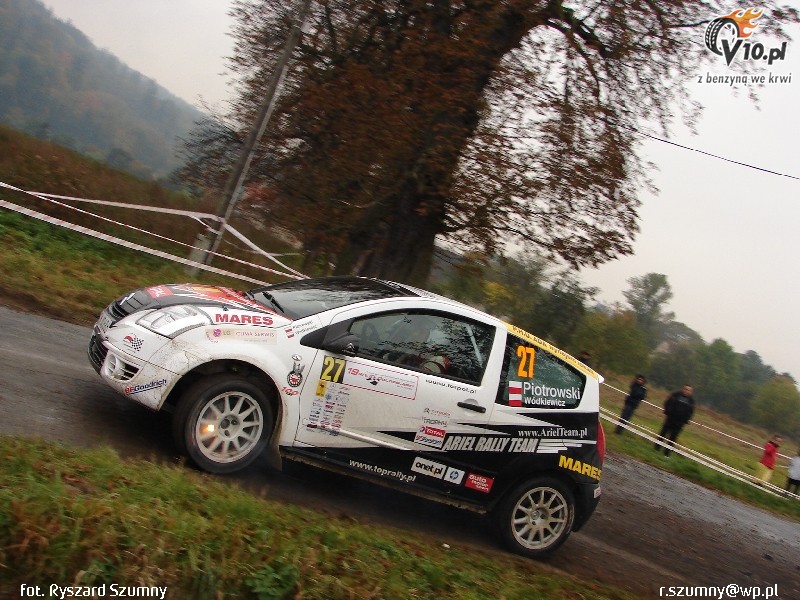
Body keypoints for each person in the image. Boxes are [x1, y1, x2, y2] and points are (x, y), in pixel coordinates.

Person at [654, 385, 695, 456]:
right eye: (685, 389)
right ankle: (656, 448)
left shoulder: (691, 401)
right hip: (670, 418)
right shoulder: (675, 395)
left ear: (691, 392)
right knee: (663, 434)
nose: (687, 391)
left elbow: (691, 412)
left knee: (673, 438)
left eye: (689, 390)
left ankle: (666, 453)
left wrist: (686, 420)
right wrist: (667, 411)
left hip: (679, 423)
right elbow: (667, 403)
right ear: (683, 389)